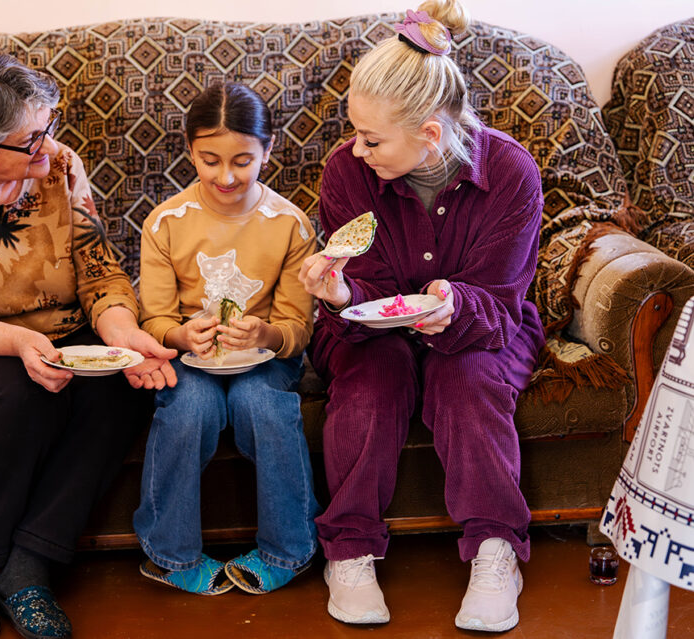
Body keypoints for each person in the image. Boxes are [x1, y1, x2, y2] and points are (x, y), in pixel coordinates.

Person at [0, 51, 177, 639]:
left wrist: (126, 336)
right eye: (31, 140)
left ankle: (30, 565)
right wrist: (18, 340)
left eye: (49, 129)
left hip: (61, 331)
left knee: (122, 391)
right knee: (24, 393)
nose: (48, 151)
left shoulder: (62, 165)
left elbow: (101, 274)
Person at [298, 0, 545, 632]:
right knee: (371, 377)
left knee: (468, 378)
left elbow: (499, 300)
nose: (358, 149)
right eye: (355, 131)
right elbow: (364, 284)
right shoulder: (346, 171)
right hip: (367, 326)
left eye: (373, 139)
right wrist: (337, 295)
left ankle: (496, 548)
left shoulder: (511, 173)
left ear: (431, 134)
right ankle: (349, 549)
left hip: (483, 325)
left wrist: (454, 306)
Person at [132, 82, 320, 596]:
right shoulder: (166, 224)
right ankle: (169, 554)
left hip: (267, 361)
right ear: (190, 149)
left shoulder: (290, 225)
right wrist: (179, 334)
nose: (226, 176)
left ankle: (290, 548)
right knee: (190, 410)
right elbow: (154, 320)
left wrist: (265, 332)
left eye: (243, 160)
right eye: (210, 160)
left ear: (268, 150)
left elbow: (298, 330)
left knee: (261, 404)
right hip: (191, 361)